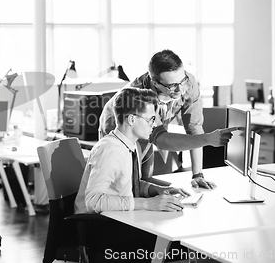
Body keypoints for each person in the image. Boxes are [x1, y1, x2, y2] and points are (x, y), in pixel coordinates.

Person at [74, 88, 196, 262]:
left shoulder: (129, 145)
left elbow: (126, 183)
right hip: (100, 228)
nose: (154, 125)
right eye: (151, 119)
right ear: (131, 119)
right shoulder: (109, 151)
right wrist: (147, 204)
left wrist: (157, 190)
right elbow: (93, 201)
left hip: (121, 219)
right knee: (181, 245)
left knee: (179, 237)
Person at [99, 49, 227, 189]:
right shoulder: (139, 97)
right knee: (126, 184)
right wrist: (208, 139)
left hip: (150, 130)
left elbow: (194, 127)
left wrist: (198, 175)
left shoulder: (188, 83)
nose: (180, 90)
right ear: (155, 82)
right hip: (120, 127)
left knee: (146, 179)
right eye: (172, 86)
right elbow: (160, 139)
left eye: (182, 80)